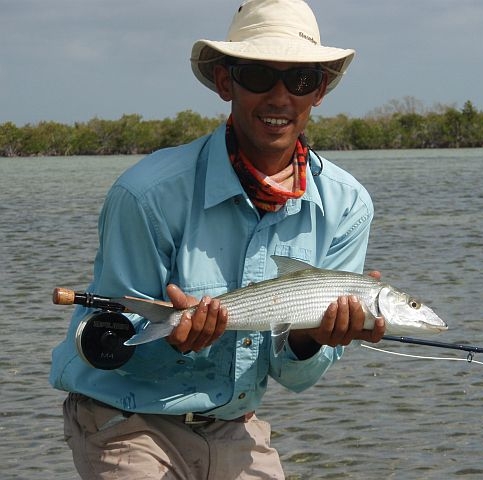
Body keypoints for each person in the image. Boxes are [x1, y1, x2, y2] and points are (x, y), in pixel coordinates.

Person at [50, 0, 385, 478]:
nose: (280, 97)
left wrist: (311, 339)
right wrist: (171, 340)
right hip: (125, 418)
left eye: (300, 80)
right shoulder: (146, 193)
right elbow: (113, 345)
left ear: (320, 90)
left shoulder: (347, 206)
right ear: (226, 82)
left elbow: (294, 376)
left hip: (235, 424)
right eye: (259, 76)